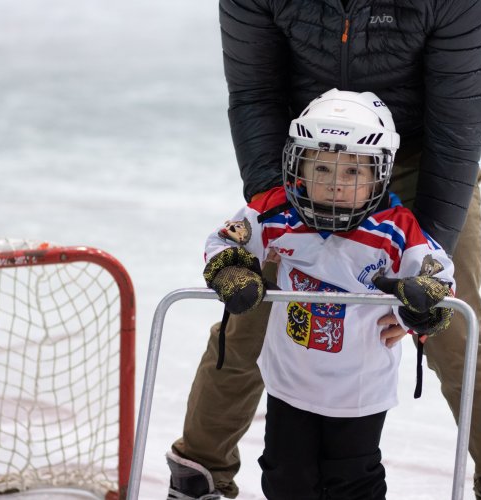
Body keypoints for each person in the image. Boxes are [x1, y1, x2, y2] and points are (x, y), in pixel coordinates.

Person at [169, 1, 481, 499]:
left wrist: (423, 268)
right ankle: (201, 470)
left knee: (451, 321)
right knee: (257, 307)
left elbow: (457, 130)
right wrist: (281, 211)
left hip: (420, 157)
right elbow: (255, 93)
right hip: (311, 162)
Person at [172, 89, 456, 500]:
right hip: (290, 383)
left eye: (352, 173)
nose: (335, 185)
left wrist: (423, 303)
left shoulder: (395, 228)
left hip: (359, 390)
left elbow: (439, 276)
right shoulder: (277, 211)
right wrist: (234, 271)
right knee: (285, 477)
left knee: (354, 481)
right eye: (322, 168)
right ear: (299, 166)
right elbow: (225, 241)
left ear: (379, 173)